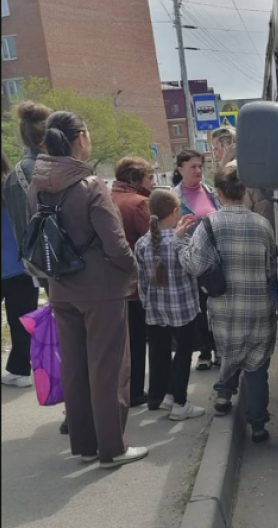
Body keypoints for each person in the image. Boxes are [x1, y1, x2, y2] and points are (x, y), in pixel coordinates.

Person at [26, 111, 147, 468]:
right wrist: (131, 266)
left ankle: (86, 445)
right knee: (108, 368)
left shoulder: (36, 183)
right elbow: (116, 244)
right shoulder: (90, 184)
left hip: (60, 286)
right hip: (101, 289)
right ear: (80, 138)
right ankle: (113, 447)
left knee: (76, 368)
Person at [175, 167, 278, 443]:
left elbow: (196, 265)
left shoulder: (209, 225)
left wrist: (180, 242)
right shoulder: (263, 225)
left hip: (224, 309)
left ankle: (223, 396)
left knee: (231, 352)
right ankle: (258, 425)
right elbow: (271, 269)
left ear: (218, 193)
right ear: (245, 191)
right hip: (258, 307)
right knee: (257, 367)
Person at [1, 101, 68, 431]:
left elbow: (19, 229)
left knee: (61, 333)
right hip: (69, 264)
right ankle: (82, 411)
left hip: (38, 267)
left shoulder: (13, 175)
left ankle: (73, 408)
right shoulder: (50, 169)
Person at [135, 189, 205, 421]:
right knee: (183, 354)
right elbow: (195, 267)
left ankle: (169, 394)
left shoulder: (142, 242)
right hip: (182, 308)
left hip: (156, 308)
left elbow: (142, 280)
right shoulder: (179, 241)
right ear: (175, 212)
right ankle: (180, 404)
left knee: (166, 351)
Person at [111, 156, 156, 407]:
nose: (152, 182)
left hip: (110, 284)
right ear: (134, 179)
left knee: (118, 342)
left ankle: (121, 389)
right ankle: (136, 391)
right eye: (149, 178)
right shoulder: (140, 203)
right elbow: (152, 242)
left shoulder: (108, 196)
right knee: (137, 340)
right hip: (135, 283)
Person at [172, 149, 220, 371]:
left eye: (201, 166)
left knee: (217, 305)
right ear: (180, 169)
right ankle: (205, 351)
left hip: (215, 259)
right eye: (192, 166)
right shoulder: (174, 197)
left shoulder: (211, 192)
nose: (198, 170)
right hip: (190, 258)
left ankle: (220, 348)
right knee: (198, 308)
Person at [2, 151, 39, 388]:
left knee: (20, 320)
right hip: (22, 264)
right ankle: (21, 369)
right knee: (23, 320)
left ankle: (19, 370)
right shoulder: (12, 184)